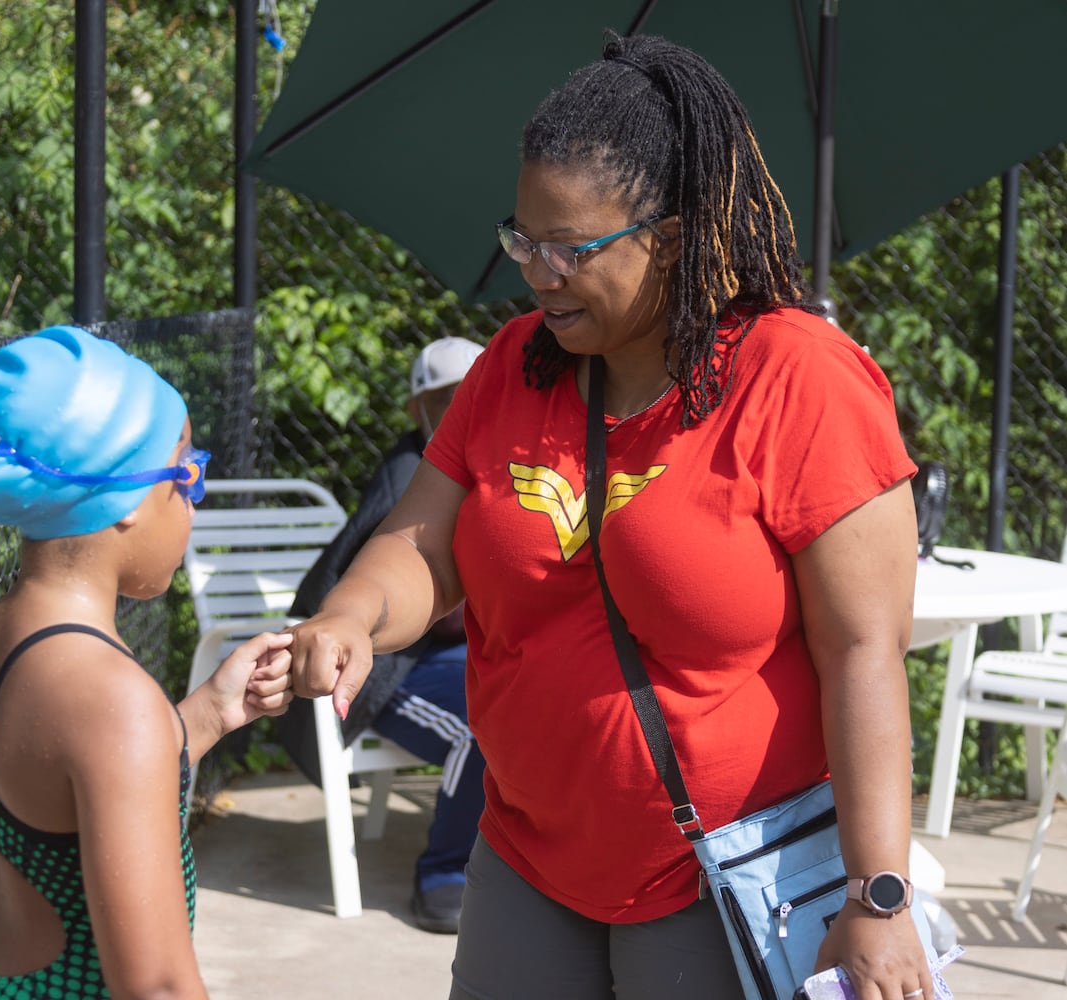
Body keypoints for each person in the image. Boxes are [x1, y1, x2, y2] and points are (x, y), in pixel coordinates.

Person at [285, 30, 936, 1000]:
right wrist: (350, 618)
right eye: (521, 238)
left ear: (668, 238)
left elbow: (863, 656)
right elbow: (421, 547)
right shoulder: (512, 364)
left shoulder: (797, 379)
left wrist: (876, 898)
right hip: (527, 857)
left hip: (717, 873)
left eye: (568, 248)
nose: (535, 271)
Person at [0, 325, 294, 999]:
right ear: (125, 501)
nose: (192, 504)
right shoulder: (115, 700)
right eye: (188, 475)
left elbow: (50, 788)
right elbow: (158, 988)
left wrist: (205, 713)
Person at [276, 335, 486, 934]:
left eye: (474, 394)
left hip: (451, 654)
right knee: (480, 725)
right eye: (445, 401)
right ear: (417, 412)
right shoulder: (410, 476)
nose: (462, 410)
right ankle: (445, 870)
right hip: (390, 668)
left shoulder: (497, 462)